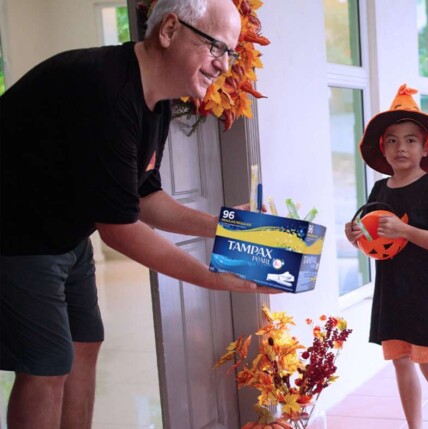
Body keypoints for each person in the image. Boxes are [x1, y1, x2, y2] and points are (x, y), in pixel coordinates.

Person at [0, 0, 280, 427]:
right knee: (47, 367)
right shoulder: (104, 88)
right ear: (169, 30)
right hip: (16, 234)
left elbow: (145, 198)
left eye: (231, 53)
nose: (224, 66)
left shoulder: (157, 98)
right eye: (217, 48)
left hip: (65, 233)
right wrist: (213, 277)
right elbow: (118, 229)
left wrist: (229, 227)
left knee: (83, 346)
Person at [344, 84, 428, 429]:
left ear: (425, 147)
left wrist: (406, 231)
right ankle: (415, 426)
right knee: (400, 362)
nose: (401, 147)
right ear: (383, 148)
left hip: (422, 292)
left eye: (410, 140)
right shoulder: (380, 189)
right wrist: (355, 236)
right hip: (390, 293)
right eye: (392, 140)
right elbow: (373, 238)